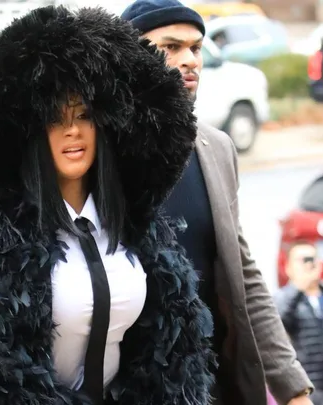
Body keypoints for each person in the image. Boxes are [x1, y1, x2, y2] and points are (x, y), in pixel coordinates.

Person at [0, 6, 216, 405]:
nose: (72, 130)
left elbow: (169, 354)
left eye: (84, 114)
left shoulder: (141, 232)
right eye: (55, 117)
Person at [120, 1, 314, 404]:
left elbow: (243, 275)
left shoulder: (217, 148)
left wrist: (292, 387)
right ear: (128, 56)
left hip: (214, 384)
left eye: (195, 47)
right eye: (170, 47)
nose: (189, 60)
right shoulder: (102, 156)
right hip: (130, 386)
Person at [275, 241, 323, 404]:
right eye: (302, 260)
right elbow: (274, 324)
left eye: (312, 259)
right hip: (306, 390)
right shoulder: (283, 298)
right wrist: (299, 286)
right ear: (288, 267)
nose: (308, 264)